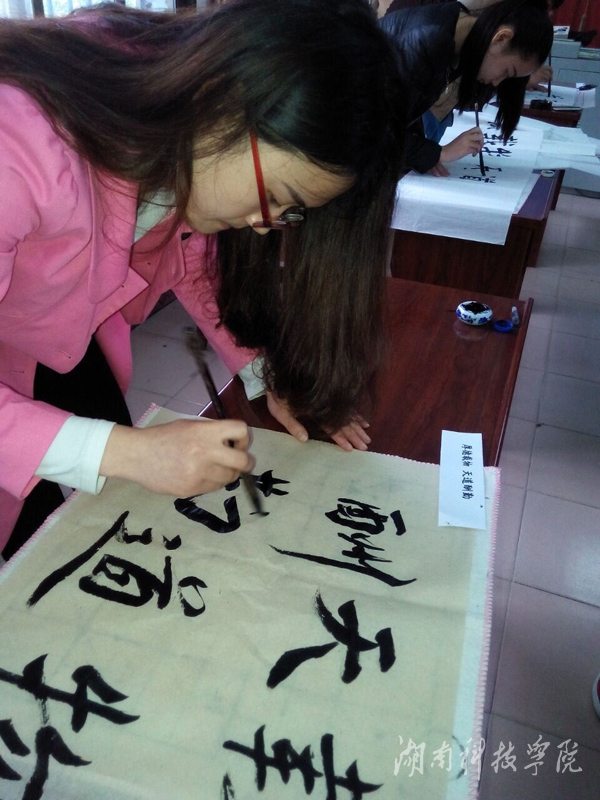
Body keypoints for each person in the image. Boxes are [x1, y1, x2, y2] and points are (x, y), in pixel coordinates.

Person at [0, 0, 407, 560]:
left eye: (289, 214)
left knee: (77, 523)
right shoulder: (18, 148)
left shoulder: (179, 116)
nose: (264, 225)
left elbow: (192, 255)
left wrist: (268, 375)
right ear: (223, 98)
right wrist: (126, 452)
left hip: (57, 338)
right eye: (275, 197)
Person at [380, 0, 553, 175]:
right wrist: (440, 152)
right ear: (501, 38)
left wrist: (424, 155)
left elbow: (404, 110)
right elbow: (374, 129)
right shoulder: (428, 40)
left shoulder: (455, 36)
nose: (496, 83)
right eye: (506, 72)